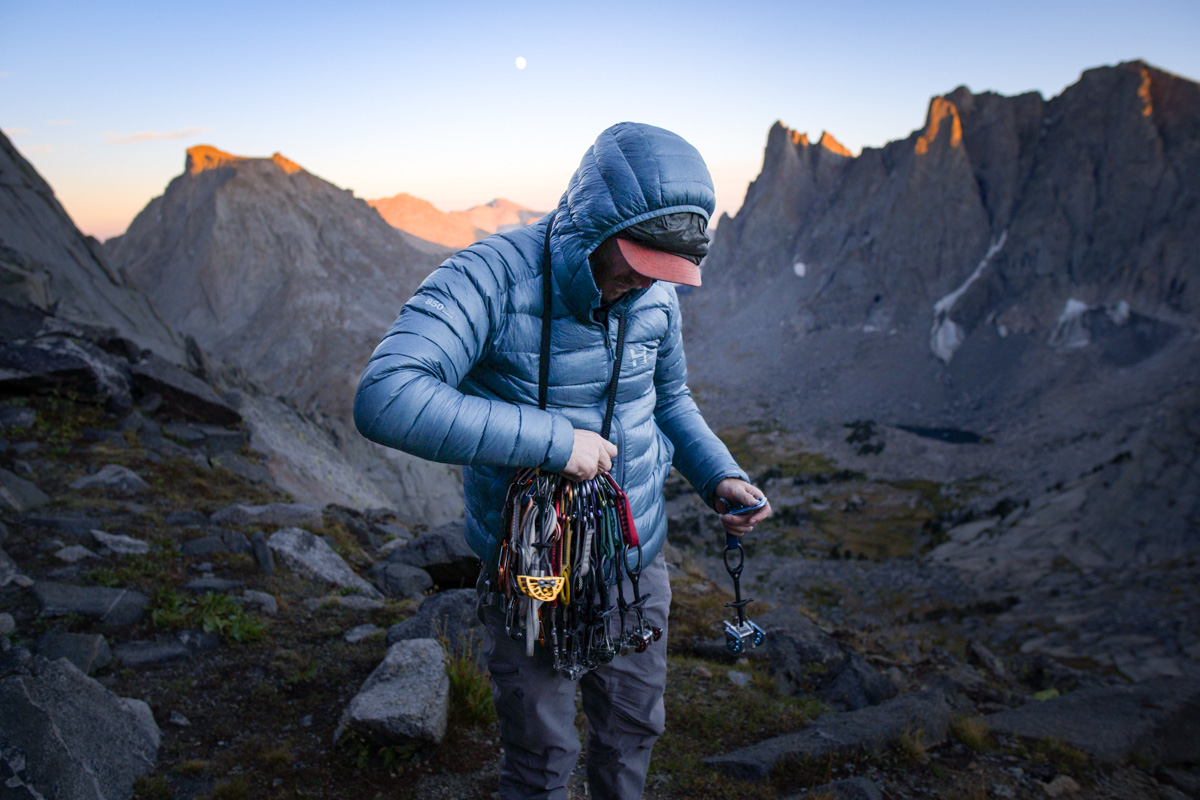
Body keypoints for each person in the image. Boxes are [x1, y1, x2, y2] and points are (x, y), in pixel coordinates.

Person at [354, 121, 771, 800]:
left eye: (664, 270)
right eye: (635, 259)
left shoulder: (655, 292)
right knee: (541, 754)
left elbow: (669, 401)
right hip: (530, 571)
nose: (644, 282)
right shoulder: (489, 277)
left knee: (632, 733)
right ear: (594, 223)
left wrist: (718, 473)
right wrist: (554, 441)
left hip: (634, 566)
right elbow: (387, 396)